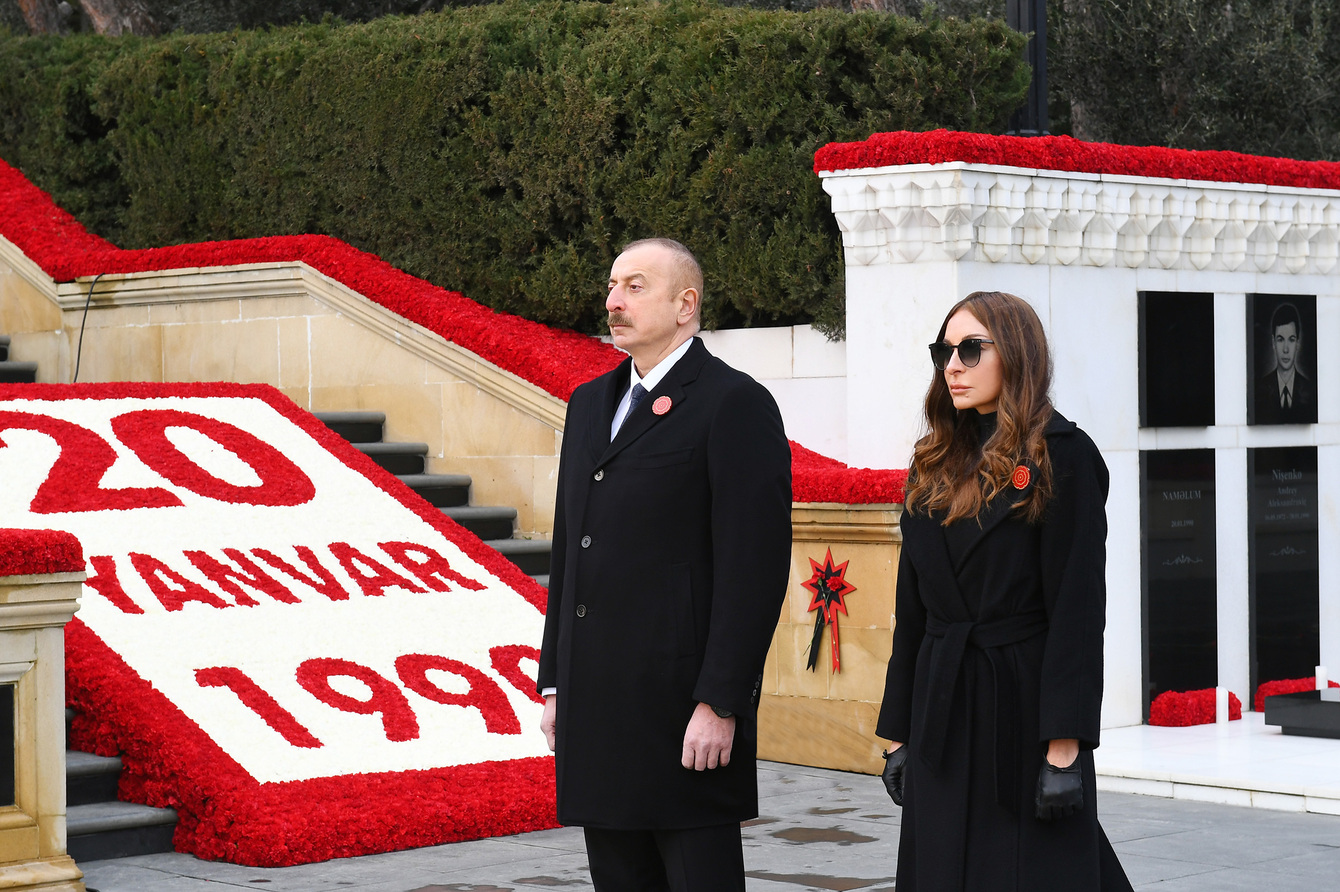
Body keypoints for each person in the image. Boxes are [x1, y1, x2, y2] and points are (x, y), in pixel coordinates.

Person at [536, 237, 792, 890]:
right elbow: (572, 549)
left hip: (681, 711)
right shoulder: (591, 403)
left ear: (686, 305)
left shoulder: (732, 403)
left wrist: (721, 701)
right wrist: (557, 682)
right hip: (599, 704)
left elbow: (753, 568)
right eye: (613, 286)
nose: (613, 300)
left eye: (635, 286)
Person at [877, 291, 1134, 891]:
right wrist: (898, 734)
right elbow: (912, 610)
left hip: (1020, 710)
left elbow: (1076, 612)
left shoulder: (1062, 456)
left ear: (1016, 354)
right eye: (944, 351)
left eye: (972, 348)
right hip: (942, 707)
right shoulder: (933, 459)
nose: (954, 365)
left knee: (1027, 871)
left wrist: (1064, 747)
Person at [1253, 301, 1315, 424]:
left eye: (1291, 340)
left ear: (1298, 342)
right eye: (1280, 340)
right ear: (1273, 342)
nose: (1286, 349)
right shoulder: (1259, 391)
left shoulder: (1311, 391)